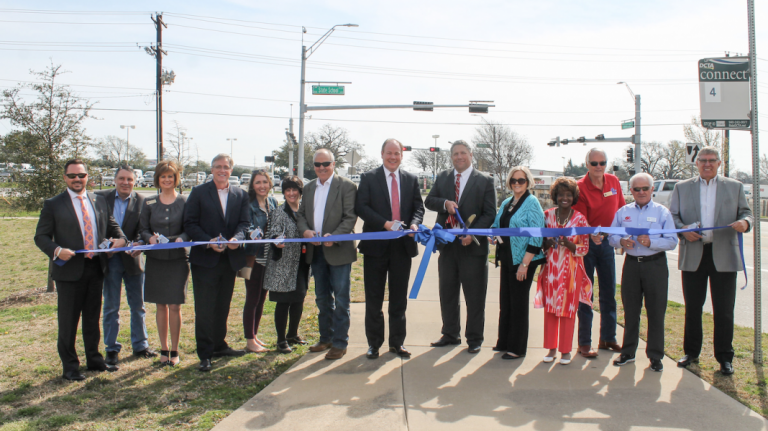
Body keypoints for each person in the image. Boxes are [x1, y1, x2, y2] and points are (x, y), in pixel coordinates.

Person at [34, 159, 127, 380]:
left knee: (92, 318)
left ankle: (95, 361)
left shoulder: (99, 200)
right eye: (73, 176)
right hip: (68, 270)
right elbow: (41, 237)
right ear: (65, 178)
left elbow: (112, 226)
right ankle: (70, 367)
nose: (77, 179)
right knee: (68, 321)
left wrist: (121, 239)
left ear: (88, 177)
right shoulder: (53, 204)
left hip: (95, 267)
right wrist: (56, 250)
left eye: (81, 175)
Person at [670, 146, 752, 375]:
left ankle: (725, 357)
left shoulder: (734, 187)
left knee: (724, 310)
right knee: (693, 308)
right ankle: (691, 352)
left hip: (724, 254)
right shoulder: (682, 187)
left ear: (719, 163)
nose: (707, 164)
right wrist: (682, 230)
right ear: (696, 163)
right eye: (703, 160)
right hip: (694, 253)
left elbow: (747, 213)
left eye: (712, 161)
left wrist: (745, 223)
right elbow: (673, 216)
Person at [425, 140, 497, 353]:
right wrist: (445, 204)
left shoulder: (485, 181)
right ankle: (450, 334)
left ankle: (474, 339)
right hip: (448, 246)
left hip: (473, 248)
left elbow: (490, 213)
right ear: (451, 157)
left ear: (471, 155)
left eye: (463, 153)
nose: (459, 157)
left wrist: (472, 233)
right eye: (455, 154)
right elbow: (429, 201)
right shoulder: (444, 177)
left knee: (474, 296)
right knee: (447, 292)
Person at [356, 139, 425, 359]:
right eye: (389, 153)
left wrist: (415, 223)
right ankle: (374, 344)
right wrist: (384, 223)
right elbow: (361, 207)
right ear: (382, 154)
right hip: (375, 248)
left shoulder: (411, 179)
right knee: (374, 299)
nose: (393, 157)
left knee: (398, 299)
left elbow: (418, 208)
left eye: (397, 153)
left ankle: (397, 343)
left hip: (402, 248)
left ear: (402, 155)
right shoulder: (368, 178)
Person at [184, 154, 251, 372]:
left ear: (231, 170)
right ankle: (205, 353)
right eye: (217, 167)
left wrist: (237, 240)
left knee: (223, 305)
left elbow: (244, 223)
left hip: (228, 260)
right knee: (205, 308)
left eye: (226, 167)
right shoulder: (198, 192)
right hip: (205, 260)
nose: (222, 170)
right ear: (211, 169)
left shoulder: (240, 194)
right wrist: (208, 242)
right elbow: (190, 223)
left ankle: (219, 345)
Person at [609, 173, 678, 372]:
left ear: (652, 189)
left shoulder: (662, 213)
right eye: (636, 189)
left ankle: (655, 356)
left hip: (654, 264)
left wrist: (652, 242)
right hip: (631, 264)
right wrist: (621, 242)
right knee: (631, 311)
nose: (641, 192)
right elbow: (611, 235)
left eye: (645, 188)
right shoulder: (623, 212)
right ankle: (628, 352)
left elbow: (672, 241)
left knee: (656, 311)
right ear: (630, 191)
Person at [297, 149, 358, 360]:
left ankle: (340, 343)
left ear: (334, 164)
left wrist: (337, 236)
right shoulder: (309, 187)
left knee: (341, 299)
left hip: (339, 251)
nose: (321, 168)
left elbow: (350, 218)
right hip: (316, 252)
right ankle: (326, 338)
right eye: (317, 164)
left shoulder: (347, 187)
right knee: (322, 299)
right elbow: (301, 215)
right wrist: (305, 231)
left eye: (326, 164)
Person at [95, 165, 156, 366]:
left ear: (135, 182)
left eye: (130, 179)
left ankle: (141, 345)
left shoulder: (142, 201)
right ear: (115, 180)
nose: (125, 183)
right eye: (122, 179)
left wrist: (135, 244)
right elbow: (95, 225)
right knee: (111, 306)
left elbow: (144, 230)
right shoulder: (100, 198)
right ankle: (111, 348)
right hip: (110, 260)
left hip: (133, 259)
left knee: (138, 305)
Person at [572, 148, 626, 357]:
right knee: (586, 293)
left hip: (607, 243)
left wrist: (621, 236)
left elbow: (621, 211)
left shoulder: (613, 182)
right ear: (587, 165)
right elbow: (581, 219)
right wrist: (591, 234)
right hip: (586, 244)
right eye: (594, 163)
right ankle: (584, 342)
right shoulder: (580, 187)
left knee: (608, 292)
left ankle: (608, 338)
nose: (598, 167)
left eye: (602, 163)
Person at [490, 166, 545, 360]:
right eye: (513, 180)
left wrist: (525, 264)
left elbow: (537, 235)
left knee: (519, 303)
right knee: (506, 302)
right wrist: (492, 235)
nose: (517, 184)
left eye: (521, 180)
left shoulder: (532, 202)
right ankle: (504, 342)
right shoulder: (506, 202)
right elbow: (497, 225)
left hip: (523, 260)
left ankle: (517, 347)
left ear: (528, 182)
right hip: (507, 258)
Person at [536, 176, 592, 365]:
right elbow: (539, 240)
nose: (564, 198)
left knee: (568, 310)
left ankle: (566, 351)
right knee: (551, 309)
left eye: (568, 195)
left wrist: (569, 244)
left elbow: (584, 248)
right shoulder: (547, 215)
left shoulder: (580, 219)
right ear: (555, 196)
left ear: (574, 197)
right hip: (551, 269)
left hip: (571, 272)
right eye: (561, 195)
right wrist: (547, 242)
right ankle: (551, 349)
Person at [139, 160, 190, 366]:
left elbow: (190, 227)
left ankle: (175, 350)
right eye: (163, 176)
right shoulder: (149, 202)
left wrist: (183, 238)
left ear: (176, 179)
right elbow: (142, 229)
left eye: (170, 176)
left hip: (178, 259)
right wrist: (148, 238)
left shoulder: (185, 202)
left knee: (175, 306)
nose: (167, 180)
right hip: (156, 260)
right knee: (161, 305)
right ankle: (164, 348)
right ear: (157, 179)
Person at [264, 176, 310, 354]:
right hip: (283, 264)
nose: (291, 193)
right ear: (284, 192)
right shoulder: (279, 212)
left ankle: (293, 334)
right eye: (288, 190)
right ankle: (281, 340)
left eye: (295, 189)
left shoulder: (305, 211)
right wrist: (277, 240)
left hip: (302, 264)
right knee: (283, 302)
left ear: (300, 192)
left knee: (298, 299)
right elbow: (274, 232)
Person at [242, 170, 278, 354]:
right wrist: (253, 233)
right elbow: (245, 226)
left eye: (265, 182)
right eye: (258, 182)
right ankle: (249, 340)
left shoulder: (272, 202)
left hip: (269, 257)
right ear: (252, 185)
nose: (262, 186)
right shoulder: (248, 205)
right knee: (252, 298)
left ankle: (254, 335)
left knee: (262, 299)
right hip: (254, 257)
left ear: (270, 184)